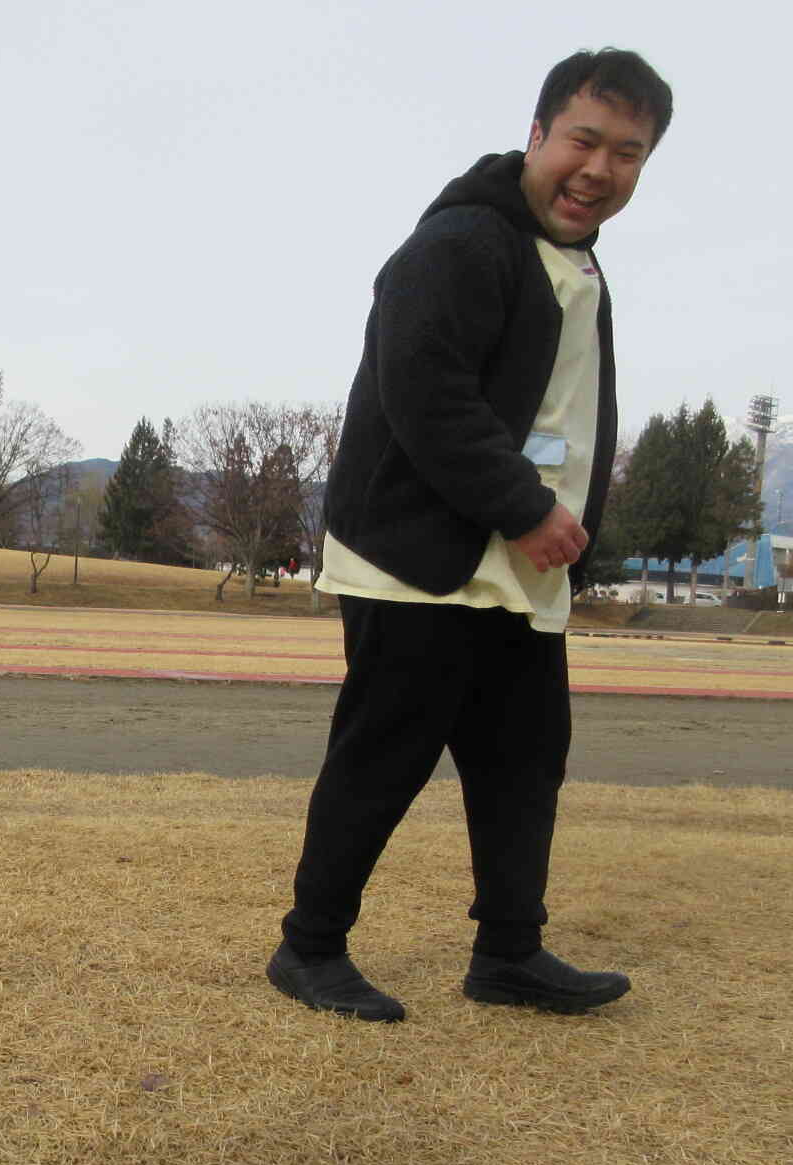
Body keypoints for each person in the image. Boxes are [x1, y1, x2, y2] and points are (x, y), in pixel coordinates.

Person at [269, 48, 673, 1022]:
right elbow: (423, 389)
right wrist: (525, 506)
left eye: (626, 152)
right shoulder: (459, 240)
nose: (597, 169)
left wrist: (563, 523)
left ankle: (507, 954)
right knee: (383, 755)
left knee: (523, 757)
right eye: (582, 139)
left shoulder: (572, 260)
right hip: (417, 554)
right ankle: (307, 948)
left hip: (512, 563)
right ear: (534, 135)